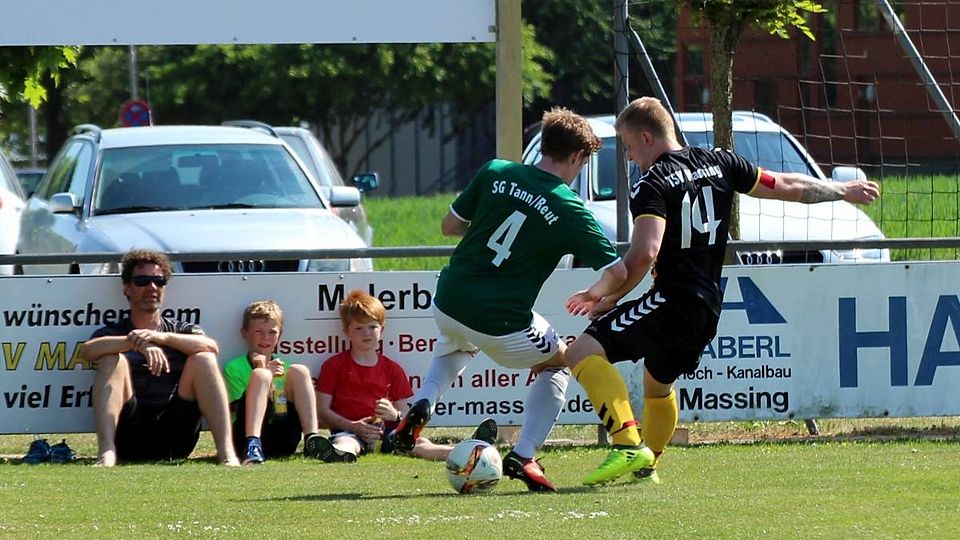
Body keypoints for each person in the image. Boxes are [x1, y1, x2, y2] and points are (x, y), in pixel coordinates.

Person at [564, 96, 881, 485]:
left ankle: (628, 445)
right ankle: (648, 466)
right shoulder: (721, 161)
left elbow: (645, 252)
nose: (630, 158)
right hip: (709, 305)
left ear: (646, 138)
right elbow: (785, 184)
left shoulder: (652, 183)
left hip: (673, 300)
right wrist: (840, 190)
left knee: (581, 352)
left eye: (629, 147)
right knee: (657, 383)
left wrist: (607, 295)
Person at [392, 107, 628, 492]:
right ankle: (524, 454)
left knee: (457, 346)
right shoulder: (569, 207)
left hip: (449, 299)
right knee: (560, 362)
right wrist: (593, 296)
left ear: (544, 145)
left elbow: (449, 226)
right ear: (575, 157)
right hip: (501, 320)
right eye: (583, 163)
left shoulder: (496, 171)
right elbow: (617, 272)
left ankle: (422, 405)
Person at [83, 249, 239, 467]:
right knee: (111, 360)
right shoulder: (113, 332)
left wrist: (161, 337)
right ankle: (106, 454)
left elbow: (211, 347)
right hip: (127, 437)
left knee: (204, 359)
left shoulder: (182, 330)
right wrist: (137, 342)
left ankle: (227, 454)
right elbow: (88, 351)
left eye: (159, 281)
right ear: (127, 288)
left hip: (176, 436)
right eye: (142, 281)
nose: (152, 287)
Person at [309, 290, 497, 462]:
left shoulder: (392, 368)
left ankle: (468, 450)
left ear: (382, 329)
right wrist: (354, 426)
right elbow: (322, 411)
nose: (366, 333)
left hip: (388, 433)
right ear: (346, 331)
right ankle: (338, 454)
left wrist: (394, 415)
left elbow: (406, 415)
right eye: (359, 328)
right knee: (347, 443)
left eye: (372, 327)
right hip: (348, 431)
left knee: (418, 444)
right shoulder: (334, 366)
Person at [222, 300, 325, 464]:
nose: (266, 338)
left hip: (282, 436)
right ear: (245, 333)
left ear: (280, 335)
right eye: (259, 332)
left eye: (272, 332)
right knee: (261, 375)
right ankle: (253, 445)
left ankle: (312, 440)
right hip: (244, 437)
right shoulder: (234, 367)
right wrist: (265, 374)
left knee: (300, 371)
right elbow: (233, 409)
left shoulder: (286, 368)